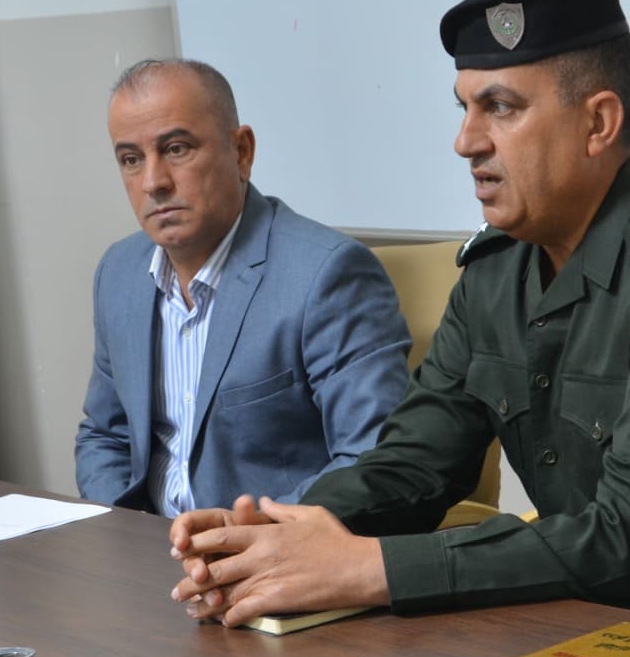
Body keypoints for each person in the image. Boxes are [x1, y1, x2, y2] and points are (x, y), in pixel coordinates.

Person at [166, 0, 630, 635]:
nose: (466, 141)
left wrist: (371, 568)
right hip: (596, 627)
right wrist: (278, 535)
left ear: (598, 123)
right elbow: (414, 463)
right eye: (465, 108)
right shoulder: (498, 269)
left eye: (500, 107)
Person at [75, 59, 411, 516]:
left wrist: (242, 536)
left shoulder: (326, 275)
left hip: (271, 546)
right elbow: (104, 436)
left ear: (241, 152)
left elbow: (371, 459)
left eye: (176, 149)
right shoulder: (119, 273)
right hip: (150, 547)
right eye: (131, 159)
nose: (154, 182)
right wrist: (126, 534)